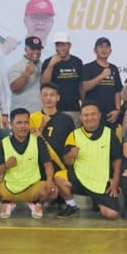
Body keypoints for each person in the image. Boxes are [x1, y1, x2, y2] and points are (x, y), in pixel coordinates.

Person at [0, 108, 58, 219]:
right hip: (9, 187)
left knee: (53, 191)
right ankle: (8, 202)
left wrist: (49, 180)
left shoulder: (38, 140)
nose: (23, 126)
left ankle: (36, 203)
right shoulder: (3, 143)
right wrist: (6, 165)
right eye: (19, 123)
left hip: (32, 187)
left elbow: (48, 164)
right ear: (11, 124)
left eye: (26, 122)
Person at [61, 103, 124, 220]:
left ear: (99, 115)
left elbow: (118, 159)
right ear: (81, 117)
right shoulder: (74, 135)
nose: (90, 117)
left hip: (101, 181)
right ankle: (71, 205)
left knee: (112, 214)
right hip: (79, 178)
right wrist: (71, 155)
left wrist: (115, 181)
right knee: (58, 178)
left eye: (93, 114)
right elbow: (67, 162)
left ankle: (97, 201)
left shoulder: (110, 133)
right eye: (86, 115)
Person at [32, 83, 80, 215]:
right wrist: (42, 126)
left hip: (60, 167)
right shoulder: (32, 118)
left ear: (58, 97)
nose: (48, 98)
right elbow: (29, 143)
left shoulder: (66, 119)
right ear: (40, 97)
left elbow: (71, 143)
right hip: (39, 168)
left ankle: (63, 198)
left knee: (57, 190)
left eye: (52, 95)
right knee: (42, 194)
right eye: (45, 95)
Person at [80, 36, 123, 128]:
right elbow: (84, 87)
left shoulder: (114, 68)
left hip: (110, 115)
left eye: (106, 47)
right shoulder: (88, 67)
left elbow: (117, 91)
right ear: (95, 50)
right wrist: (101, 76)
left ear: (110, 51)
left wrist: (117, 110)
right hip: (92, 115)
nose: (104, 49)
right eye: (101, 47)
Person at [40, 31, 84, 116]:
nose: (60, 48)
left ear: (69, 46)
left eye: (63, 45)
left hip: (74, 109)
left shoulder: (77, 62)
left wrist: (83, 104)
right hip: (54, 110)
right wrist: (51, 65)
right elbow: (44, 84)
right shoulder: (48, 62)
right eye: (58, 45)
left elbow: (81, 86)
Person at [8, 36, 43, 114]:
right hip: (21, 114)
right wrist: (26, 74)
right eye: (32, 49)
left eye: (38, 49)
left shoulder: (43, 66)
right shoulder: (17, 66)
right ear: (26, 49)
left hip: (39, 113)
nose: (36, 52)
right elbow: (14, 88)